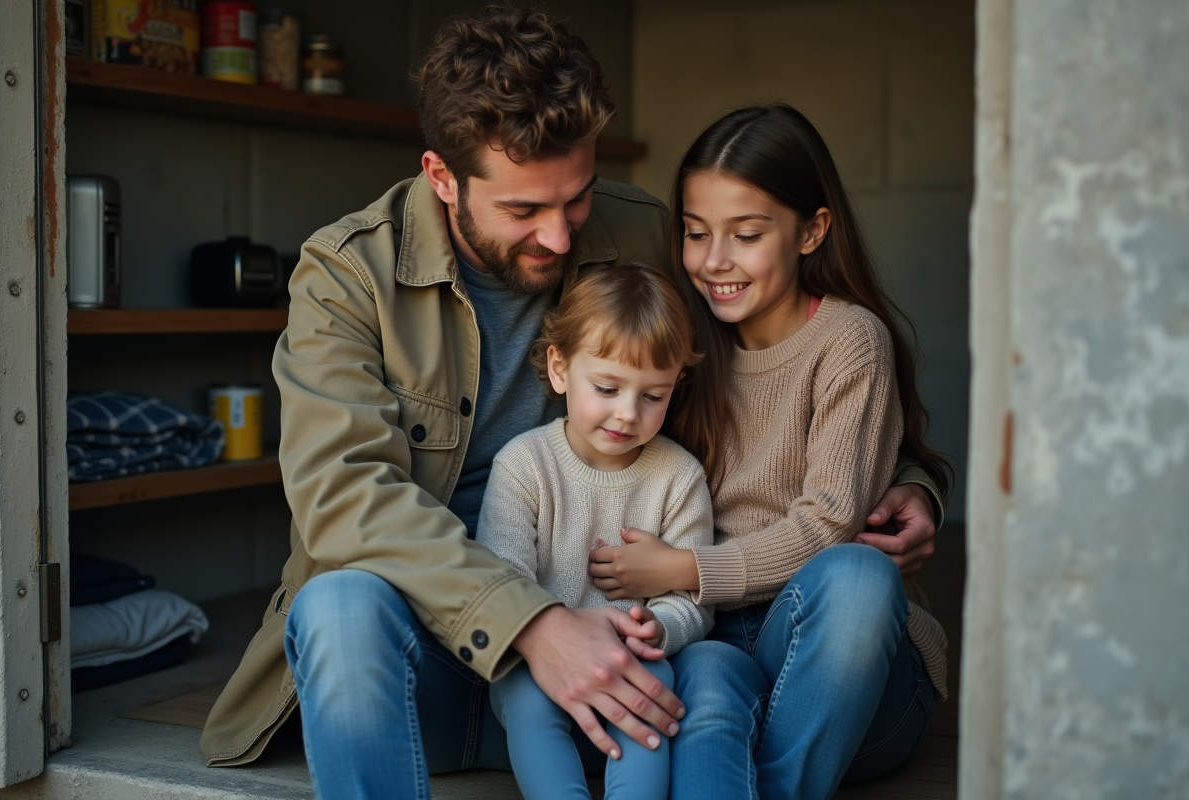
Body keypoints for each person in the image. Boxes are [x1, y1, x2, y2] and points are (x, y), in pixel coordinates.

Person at [199, 8, 944, 797]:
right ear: (441, 177)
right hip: (466, 659)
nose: (558, 236)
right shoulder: (347, 276)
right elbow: (344, 499)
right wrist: (534, 626)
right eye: (523, 210)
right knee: (338, 602)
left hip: (638, 653)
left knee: (768, 649)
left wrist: (908, 484)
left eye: (576, 197)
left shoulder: (645, 231)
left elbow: (781, 366)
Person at [588, 103, 951, 800]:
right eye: (696, 234)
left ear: (812, 230)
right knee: (710, 676)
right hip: (718, 645)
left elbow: (829, 523)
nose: (714, 260)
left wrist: (685, 568)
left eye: (746, 234)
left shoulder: (849, 341)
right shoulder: (682, 341)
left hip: (846, 668)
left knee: (856, 578)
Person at [479, 264, 713, 800]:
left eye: (653, 396)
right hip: (535, 668)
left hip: (633, 662)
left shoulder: (679, 477)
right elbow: (502, 579)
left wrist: (655, 627)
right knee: (524, 695)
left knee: (656, 691)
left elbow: (693, 602)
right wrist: (559, 628)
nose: (628, 413)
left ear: (677, 382)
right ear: (560, 370)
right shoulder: (525, 465)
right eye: (607, 388)